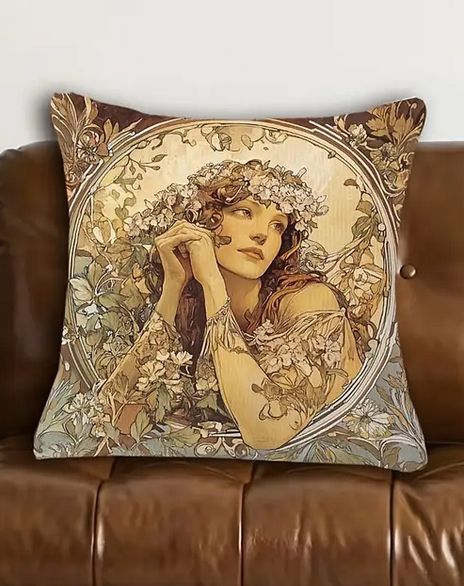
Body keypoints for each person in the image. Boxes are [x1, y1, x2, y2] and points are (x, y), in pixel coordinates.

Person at [100, 159, 367, 450]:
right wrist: (174, 285)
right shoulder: (191, 305)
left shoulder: (310, 299)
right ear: (202, 221)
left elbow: (268, 431)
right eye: (244, 212)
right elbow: (109, 415)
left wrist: (213, 283)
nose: (262, 234)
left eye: (277, 225)